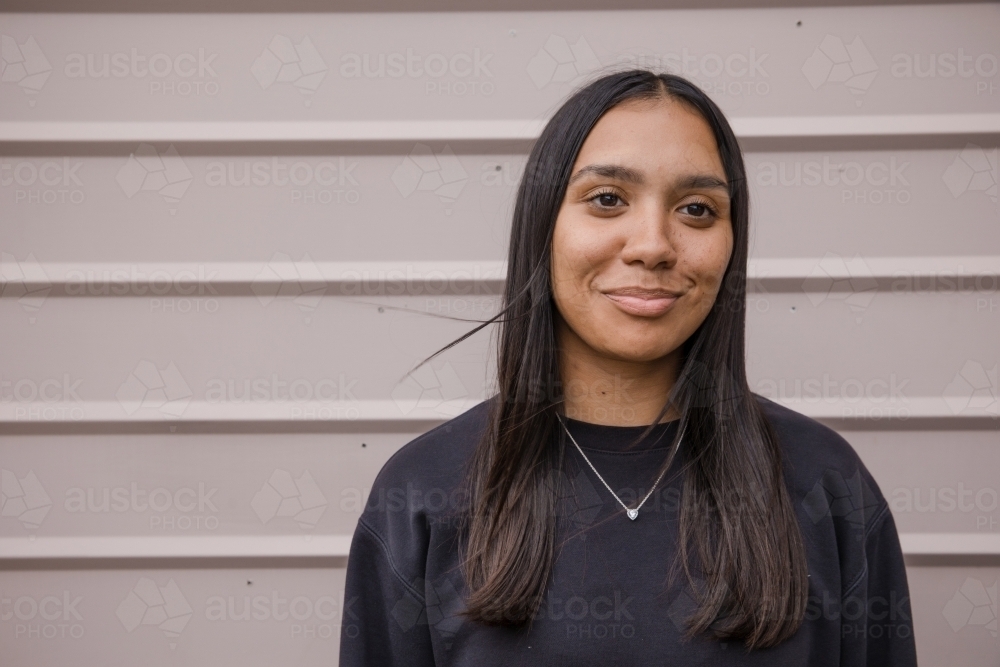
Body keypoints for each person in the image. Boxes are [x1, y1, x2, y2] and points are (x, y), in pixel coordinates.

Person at [339, 69, 917, 666]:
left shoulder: (827, 486)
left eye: (697, 209)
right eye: (608, 199)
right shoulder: (421, 493)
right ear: (544, 226)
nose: (654, 245)